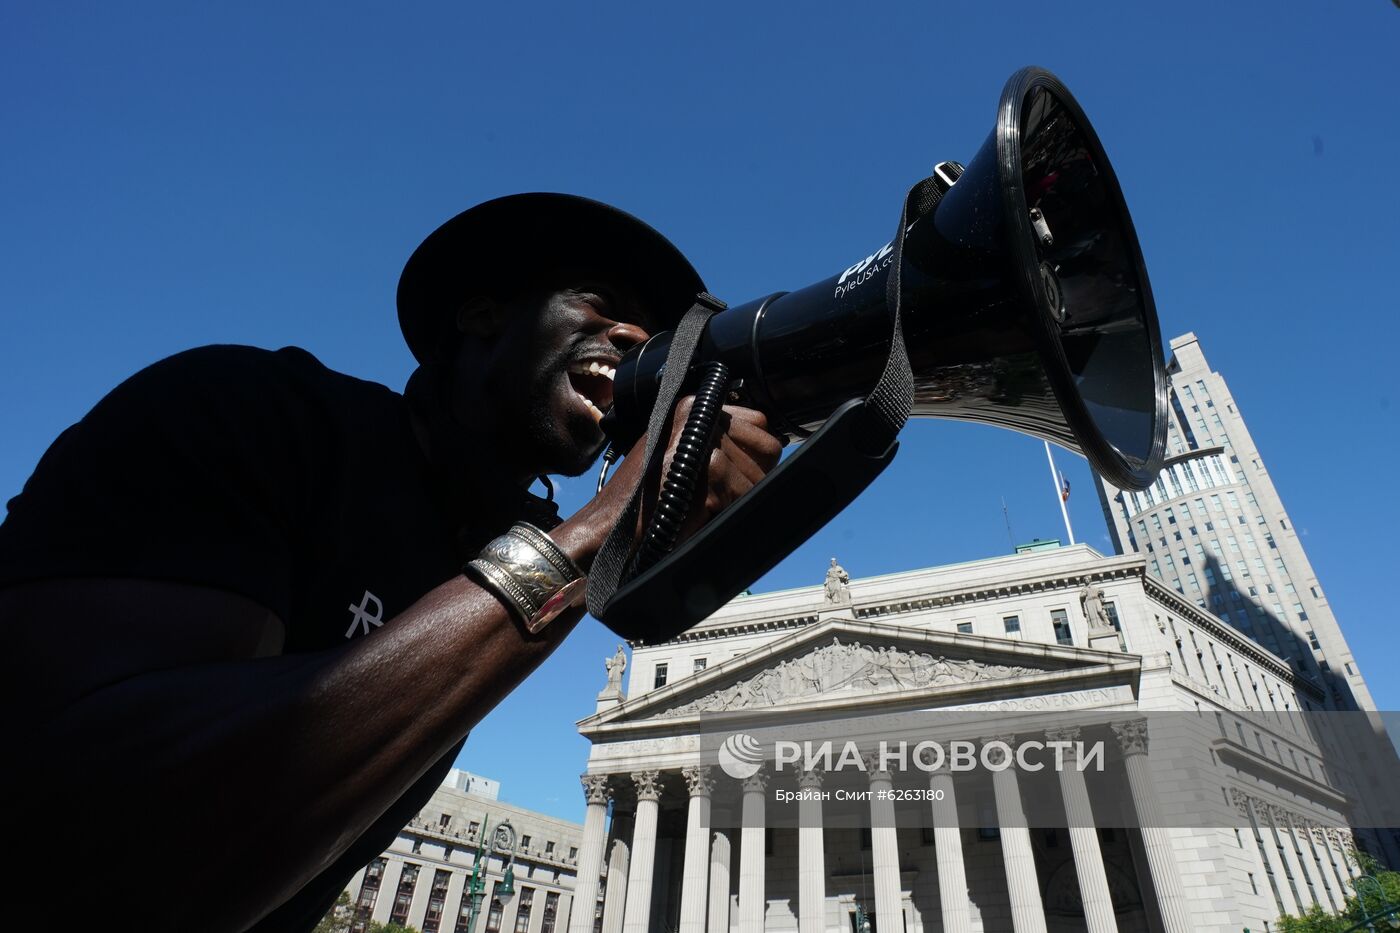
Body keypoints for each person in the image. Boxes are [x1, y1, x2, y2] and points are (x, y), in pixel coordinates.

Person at [0, 193, 782, 932]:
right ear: (482, 312)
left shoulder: (471, 548)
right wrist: (599, 533)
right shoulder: (253, 413)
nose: (631, 342)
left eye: (650, 340)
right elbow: (102, 847)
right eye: (600, 303)